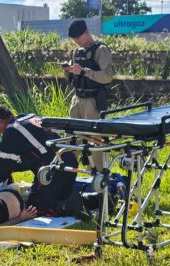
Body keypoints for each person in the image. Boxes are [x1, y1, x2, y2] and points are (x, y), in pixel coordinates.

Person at [0, 105, 78, 216]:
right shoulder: (28, 117)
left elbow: (4, 166)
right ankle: (84, 199)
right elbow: (29, 158)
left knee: (33, 207)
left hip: (54, 169)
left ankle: (67, 205)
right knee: (58, 195)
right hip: (70, 162)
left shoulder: (11, 130)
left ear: (1, 121)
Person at [63, 19, 113, 171]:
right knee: (72, 137)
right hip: (77, 99)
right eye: (74, 39)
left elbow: (107, 77)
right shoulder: (77, 52)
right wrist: (69, 72)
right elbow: (76, 76)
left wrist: (85, 71)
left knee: (95, 138)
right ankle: (68, 171)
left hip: (93, 101)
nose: (77, 42)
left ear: (86, 32)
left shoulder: (101, 50)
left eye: (79, 38)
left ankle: (98, 175)